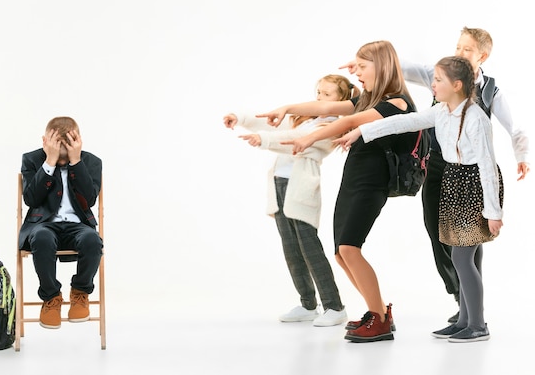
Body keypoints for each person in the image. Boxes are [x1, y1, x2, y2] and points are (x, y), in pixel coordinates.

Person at [340, 26, 529, 323]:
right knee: (439, 233)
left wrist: (520, 161)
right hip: (440, 167)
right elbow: (407, 119)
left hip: (471, 175)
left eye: (467, 49)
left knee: (466, 249)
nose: (433, 83)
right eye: (458, 46)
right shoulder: (442, 94)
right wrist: (363, 125)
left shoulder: (483, 104)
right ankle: (463, 302)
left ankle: (473, 317)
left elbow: (502, 145)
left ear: (482, 56)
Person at [257, 40, 417, 342]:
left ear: (381, 67)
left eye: (362, 66)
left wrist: (310, 138)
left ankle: (379, 320)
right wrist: (287, 108)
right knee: (341, 254)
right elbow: (326, 107)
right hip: (354, 179)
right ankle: (379, 310)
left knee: (349, 249)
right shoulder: (368, 99)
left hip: (373, 181)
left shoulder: (396, 103)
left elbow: (352, 121)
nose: (356, 72)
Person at [223, 75, 359, 327]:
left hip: (301, 188)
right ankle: (308, 304)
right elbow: (269, 123)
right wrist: (239, 118)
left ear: (341, 100)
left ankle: (334, 306)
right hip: (279, 184)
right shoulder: (303, 117)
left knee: (310, 248)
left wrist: (263, 141)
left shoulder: (333, 127)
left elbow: (294, 144)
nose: (320, 98)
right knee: (291, 248)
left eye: (327, 95)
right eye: (319, 92)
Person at [18, 116, 103, 329]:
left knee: (93, 240)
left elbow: (90, 199)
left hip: (78, 226)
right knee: (43, 237)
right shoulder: (32, 160)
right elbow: (31, 199)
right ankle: (51, 297)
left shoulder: (91, 162)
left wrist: (75, 162)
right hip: (44, 225)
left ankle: (80, 292)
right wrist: (50, 162)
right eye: (60, 157)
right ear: (45, 142)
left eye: (66, 157)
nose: (62, 162)